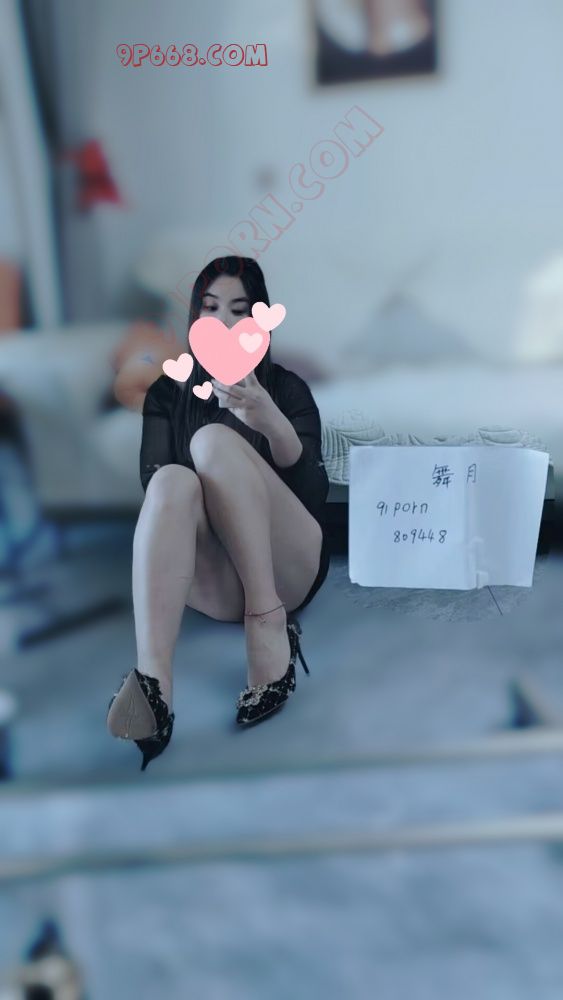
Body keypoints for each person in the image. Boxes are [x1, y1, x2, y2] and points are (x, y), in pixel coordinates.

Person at [106, 256, 331, 770]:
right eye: (210, 308)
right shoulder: (168, 393)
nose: (224, 322)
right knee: (170, 480)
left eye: (238, 309)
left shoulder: (287, 388)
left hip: (285, 573)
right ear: (194, 317)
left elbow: (313, 494)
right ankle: (153, 684)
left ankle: (268, 626)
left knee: (212, 441)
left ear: (259, 319)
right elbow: (159, 498)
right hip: (212, 582)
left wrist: (271, 422)